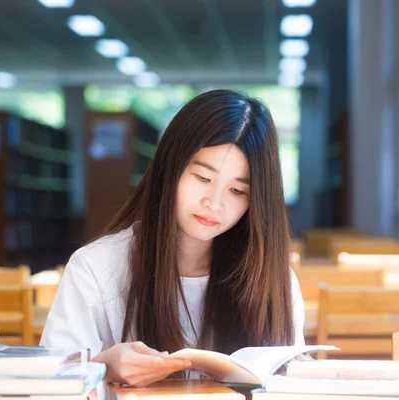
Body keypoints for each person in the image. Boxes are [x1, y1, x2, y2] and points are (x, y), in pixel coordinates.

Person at [40, 89, 305, 389]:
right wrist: (103, 368)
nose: (214, 203)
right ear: (170, 168)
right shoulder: (95, 268)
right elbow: (49, 387)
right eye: (203, 178)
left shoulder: (272, 278)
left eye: (237, 191)